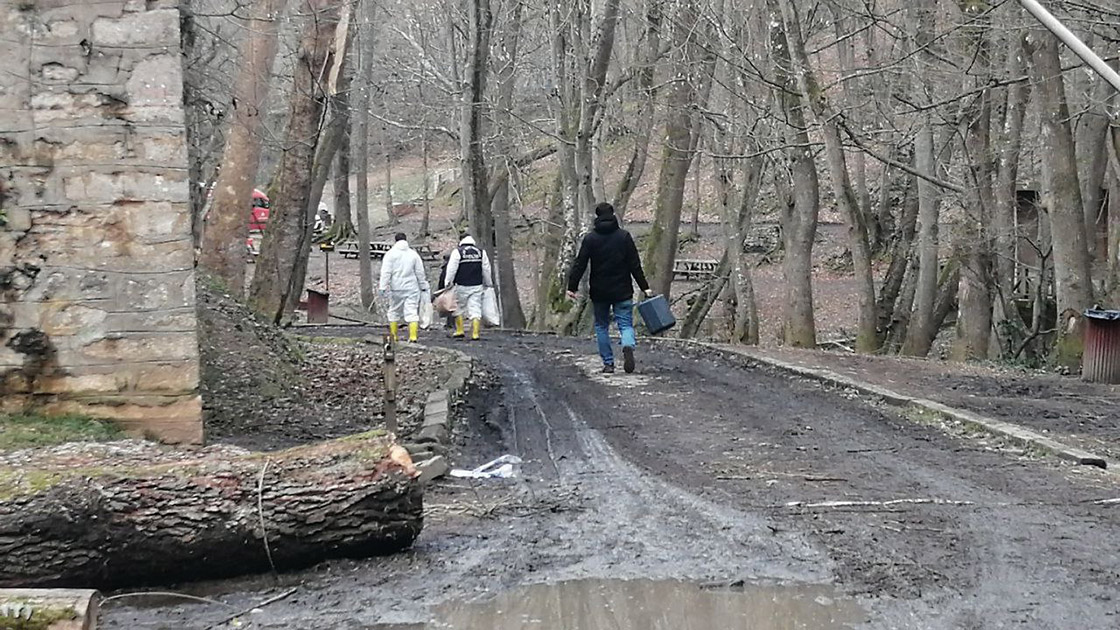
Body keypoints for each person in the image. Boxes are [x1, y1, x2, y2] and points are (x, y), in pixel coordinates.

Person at [567, 202, 653, 374]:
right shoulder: (624, 237)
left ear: (596, 217)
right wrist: (644, 287)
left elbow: (580, 264)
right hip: (622, 290)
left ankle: (608, 364)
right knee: (626, 324)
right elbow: (635, 265)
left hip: (599, 291)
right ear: (613, 215)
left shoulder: (591, 238)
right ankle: (628, 344)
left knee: (601, 326)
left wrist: (572, 287)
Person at [379, 233, 430, 343]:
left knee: (393, 312)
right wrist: (423, 285)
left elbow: (386, 272)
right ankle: (413, 337)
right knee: (411, 311)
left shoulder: (390, 254)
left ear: (395, 241)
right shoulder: (413, 254)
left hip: (396, 288)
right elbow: (420, 272)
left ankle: (394, 336)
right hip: (412, 288)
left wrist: (382, 287)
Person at [444, 233, 492, 341]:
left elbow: (452, 269)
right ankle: (475, 333)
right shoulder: (480, 252)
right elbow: (486, 269)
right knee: (475, 309)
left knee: (458, 308)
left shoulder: (458, 252)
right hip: (477, 285)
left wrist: (448, 282)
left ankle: (460, 330)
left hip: (461, 285)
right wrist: (488, 282)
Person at [436, 250, 456, 331]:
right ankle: (451, 323)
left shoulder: (445, 267)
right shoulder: (453, 266)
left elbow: (442, 279)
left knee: (449, 307)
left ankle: (450, 324)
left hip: (447, 288)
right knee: (452, 307)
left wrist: (440, 289)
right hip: (453, 287)